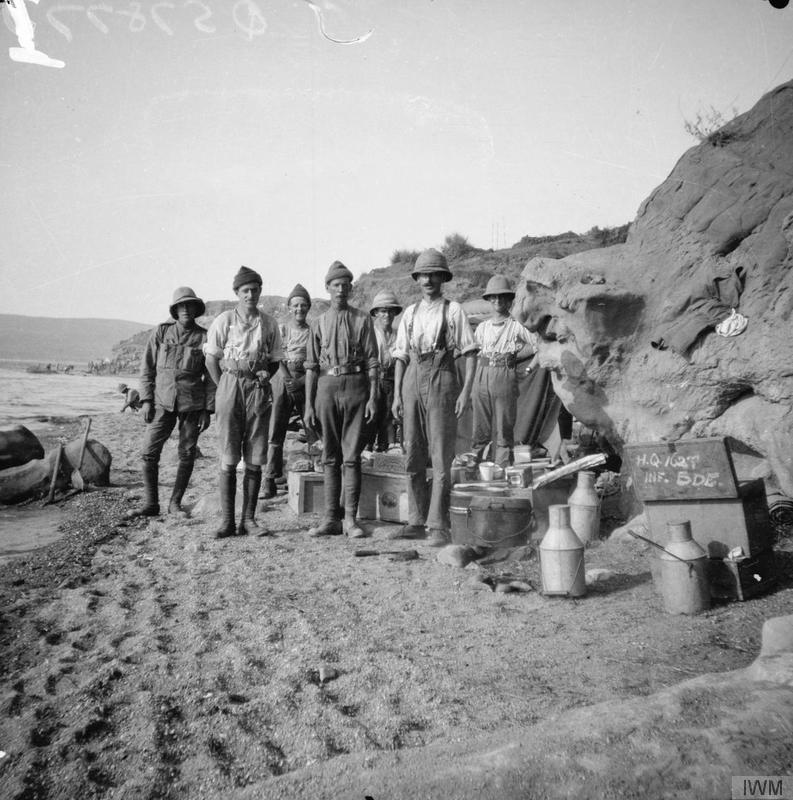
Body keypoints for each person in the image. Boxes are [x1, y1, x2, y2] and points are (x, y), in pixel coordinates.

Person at [391, 248, 478, 547]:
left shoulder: (453, 311)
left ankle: (438, 524)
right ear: (417, 279)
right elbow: (400, 356)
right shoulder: (409, 314)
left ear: (442, 278)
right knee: (412, 451)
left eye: (434, 274)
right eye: (423, 275)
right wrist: (397, 395)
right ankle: (416, 519)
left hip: (442, 376)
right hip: (412, 377)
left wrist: (466, 391)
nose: (428, 280)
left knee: (441, 454)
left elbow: (469, 352)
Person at [204, 266, 284, 538]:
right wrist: (225, 386)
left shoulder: (269, 323)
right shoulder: (224, 320)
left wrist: (260, 379)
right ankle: (227, 521)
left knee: (255, 455)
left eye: (255, 289)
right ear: (237, 293)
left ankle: (248, 520)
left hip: (257, 390)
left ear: (260, 291)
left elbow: (275, 361)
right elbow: (211, 359)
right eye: (245, 290)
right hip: (229, 384)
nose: (251, 294)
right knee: (228, 455)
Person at [303, 261, 379, 538]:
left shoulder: (362, 319)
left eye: (346, 285)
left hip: (356, 387)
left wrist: (372, 398)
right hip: (327, 387)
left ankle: (350, 519)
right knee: (329, 456)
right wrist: (309, 404)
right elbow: (310, 366)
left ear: (351, 288)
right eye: (336, 285)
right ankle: (330, 519)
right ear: (327, 288)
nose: (341, 290)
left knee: (352, 457)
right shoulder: (319, 323)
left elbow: (373, 360)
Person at [127, 287, 215, 519]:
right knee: (148, 453)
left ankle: (174, 504)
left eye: (190, 305)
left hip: (192, 405)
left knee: (187, 454)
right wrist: (146, 400)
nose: (186, 309)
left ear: (196, 309)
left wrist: (207, 409)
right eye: (181, 306)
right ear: (175, 310)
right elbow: (147, 369)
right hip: (161, 403)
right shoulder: (161, 333)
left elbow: (211, 378)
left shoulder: (205, 338)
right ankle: (151, 503)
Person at [471, 275, 537, 468]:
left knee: (504, 426)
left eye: (502, 297)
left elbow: (537, 344)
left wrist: (520, 360)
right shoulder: (482, 327)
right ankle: (476, 467)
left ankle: (501, 469)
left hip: (504, 374)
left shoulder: (516, 325)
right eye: (493, 297)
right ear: (489, 300)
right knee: (480, 427)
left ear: (509, 300)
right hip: (481, 373)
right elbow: (472, 352)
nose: (498, 301)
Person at [262, 283, 312, 499]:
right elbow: (276, 354)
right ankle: (269, 480)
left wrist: (300, 382)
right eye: (295, 305)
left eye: (303, 305)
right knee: (276, 430)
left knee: (312, 425)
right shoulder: (281, 328)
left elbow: (315, 361)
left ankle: (315, 473)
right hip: (282, 379)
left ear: (308, 307)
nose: (299, 309)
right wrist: (286, 378)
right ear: (289, 307)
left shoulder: (313, 332)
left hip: (304, 379)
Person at [365, 290, 402, 452]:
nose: (387, 315)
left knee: (388, 419)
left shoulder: (397, 334)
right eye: (383, 311)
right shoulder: (370, 333)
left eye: (390, 311)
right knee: (371, 418)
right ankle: (367, 453)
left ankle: (383, 452)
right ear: (376, 313)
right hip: (373, 381)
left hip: (392, 381)